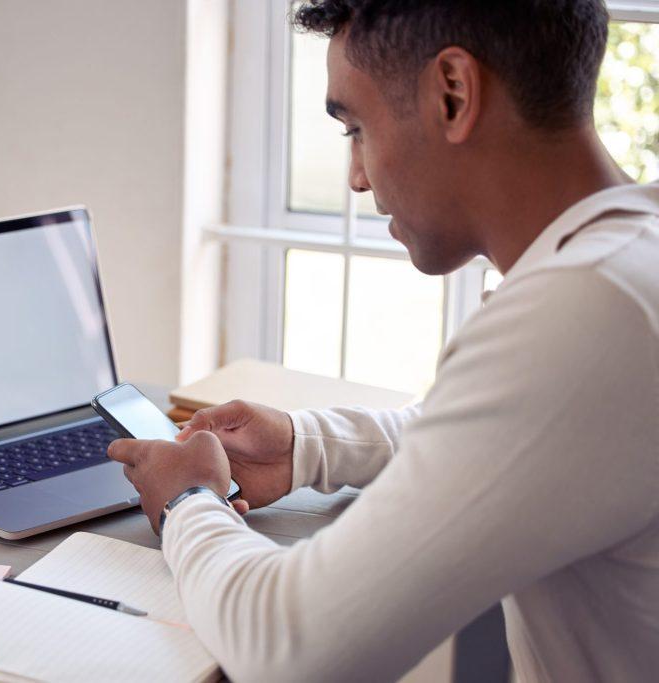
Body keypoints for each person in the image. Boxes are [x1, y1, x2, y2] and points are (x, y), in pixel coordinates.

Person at [107, 1, 659, 681]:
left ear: (452, 93)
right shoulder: (632, 263)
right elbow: (503, 433)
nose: (357, 176)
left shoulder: (587, 310)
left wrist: (188, 503)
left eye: (356, 129)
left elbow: (292, 647)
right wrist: (306, 446)